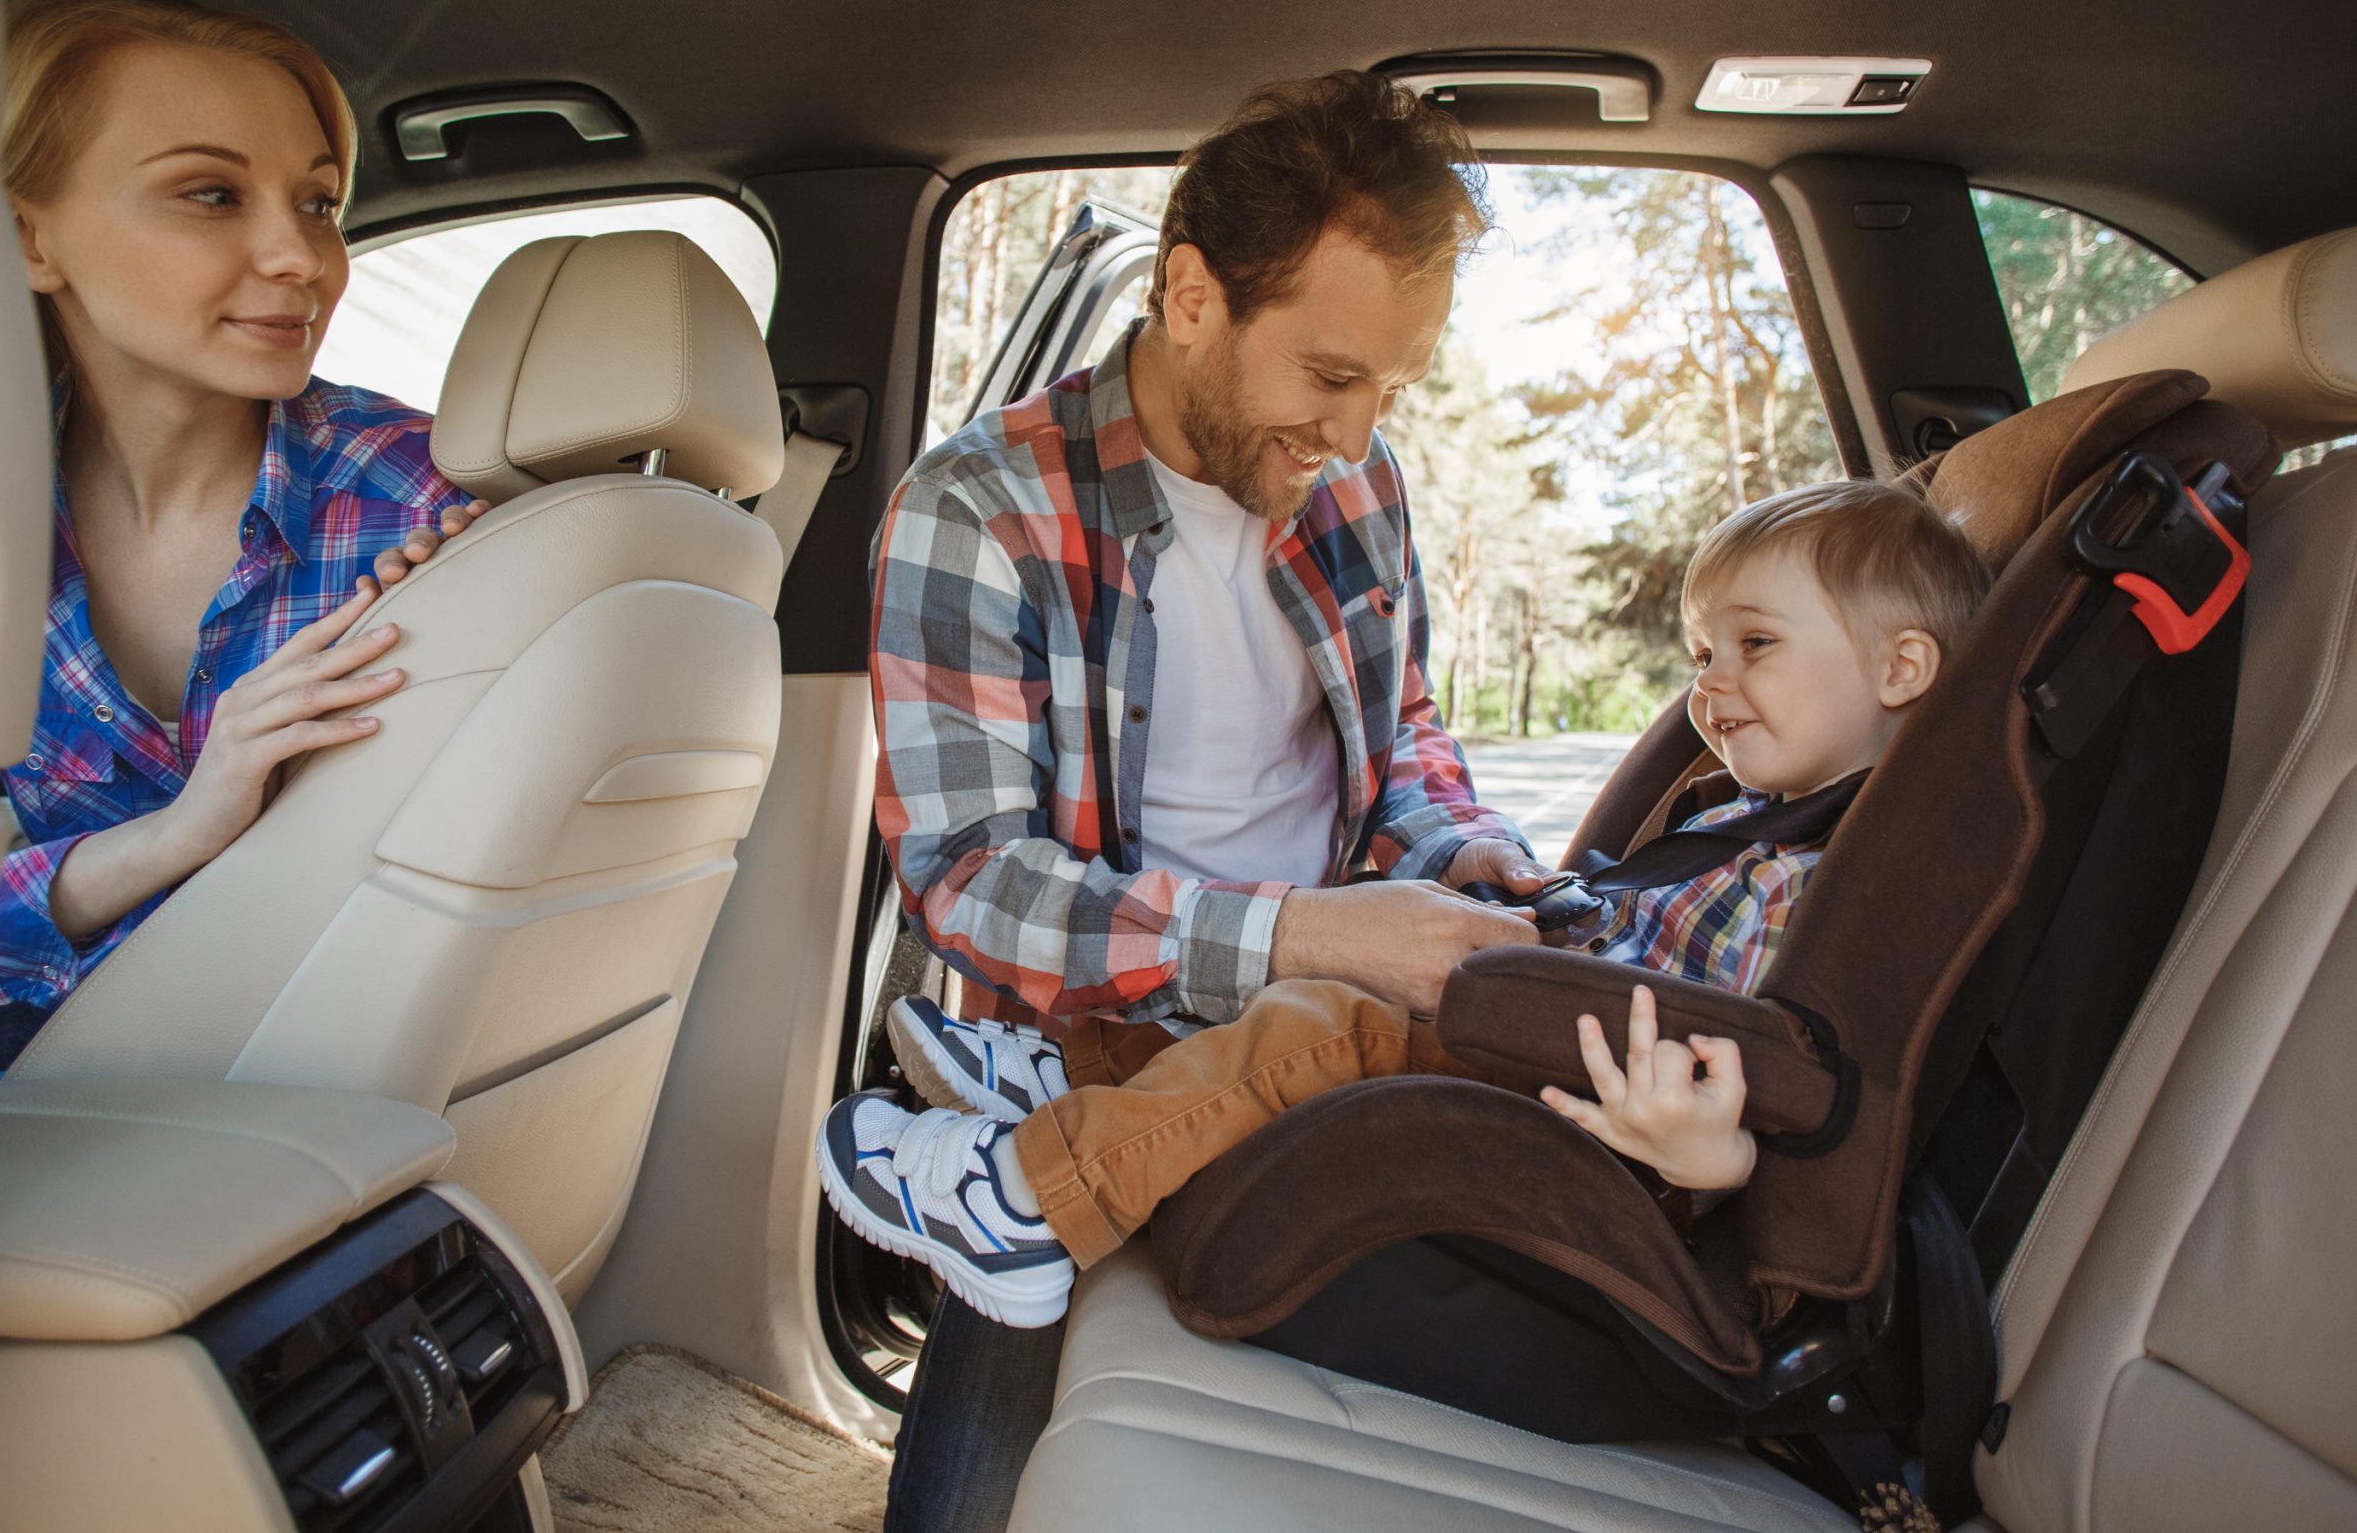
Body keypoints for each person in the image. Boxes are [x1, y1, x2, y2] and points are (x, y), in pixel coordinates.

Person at [857, 72, 1550, 1529]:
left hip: (1323, 1033)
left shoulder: (1361, 492)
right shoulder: (977, 508)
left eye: (1389, 390)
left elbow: (1403, 732)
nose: (1358, 437)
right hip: (1074, 1047)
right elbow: (976, 878)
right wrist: (1310, 935)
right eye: (1330, 376)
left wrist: (1459, 851)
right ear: (1190, 296)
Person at [823, 478, 1992, 1330]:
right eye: (1698, 651)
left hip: (1607, 1142)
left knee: (1336, 1021)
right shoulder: (1747, 826)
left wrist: (1709, 1154)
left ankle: (1034, 1202)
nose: (1708, 684)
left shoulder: (1826, 884)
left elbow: (1793, 1090)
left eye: (1753, 644)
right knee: (1347, 957)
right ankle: (1094, 1077)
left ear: (1899, 670)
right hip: (1555, 1047)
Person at [0, 0, 484, 1080]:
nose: (304, 258)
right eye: (210, 195)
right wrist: (171, 839)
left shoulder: (428, 517)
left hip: (250, 1166)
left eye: (318, 201)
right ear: (26, 237)